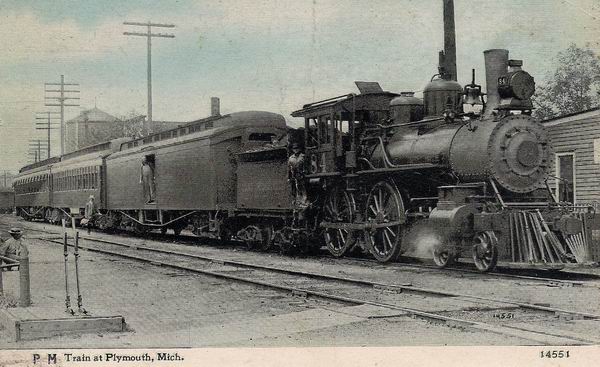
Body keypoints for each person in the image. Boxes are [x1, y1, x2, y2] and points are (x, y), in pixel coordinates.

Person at [288, 143, 307, 207]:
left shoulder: (303, 156)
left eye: (297, 148)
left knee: (303, 189)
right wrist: (289, 177)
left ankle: (304, 201)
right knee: (295, 190)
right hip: (294, 176)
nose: (296, 150)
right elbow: (289, 168)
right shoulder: (291, 158)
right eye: (294, 149)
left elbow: (306, 165)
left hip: (301, 174)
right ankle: (296, 202)